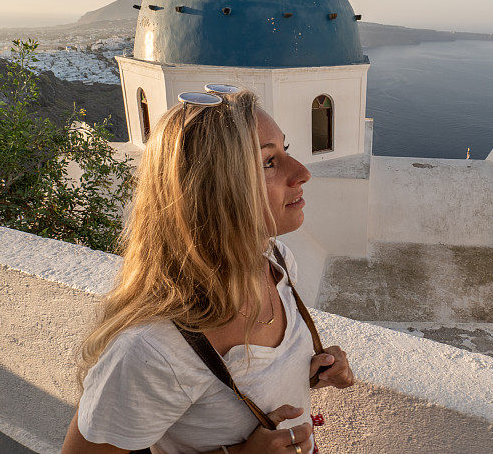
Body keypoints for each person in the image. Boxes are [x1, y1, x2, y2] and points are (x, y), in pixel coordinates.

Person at [61, 90, 354, 454]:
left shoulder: (276, 263)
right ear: (212, 191)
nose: (302, 173)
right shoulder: (151, 351)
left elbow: (247, 381)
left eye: (285, 150)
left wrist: (311, 369)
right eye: (268, 162)